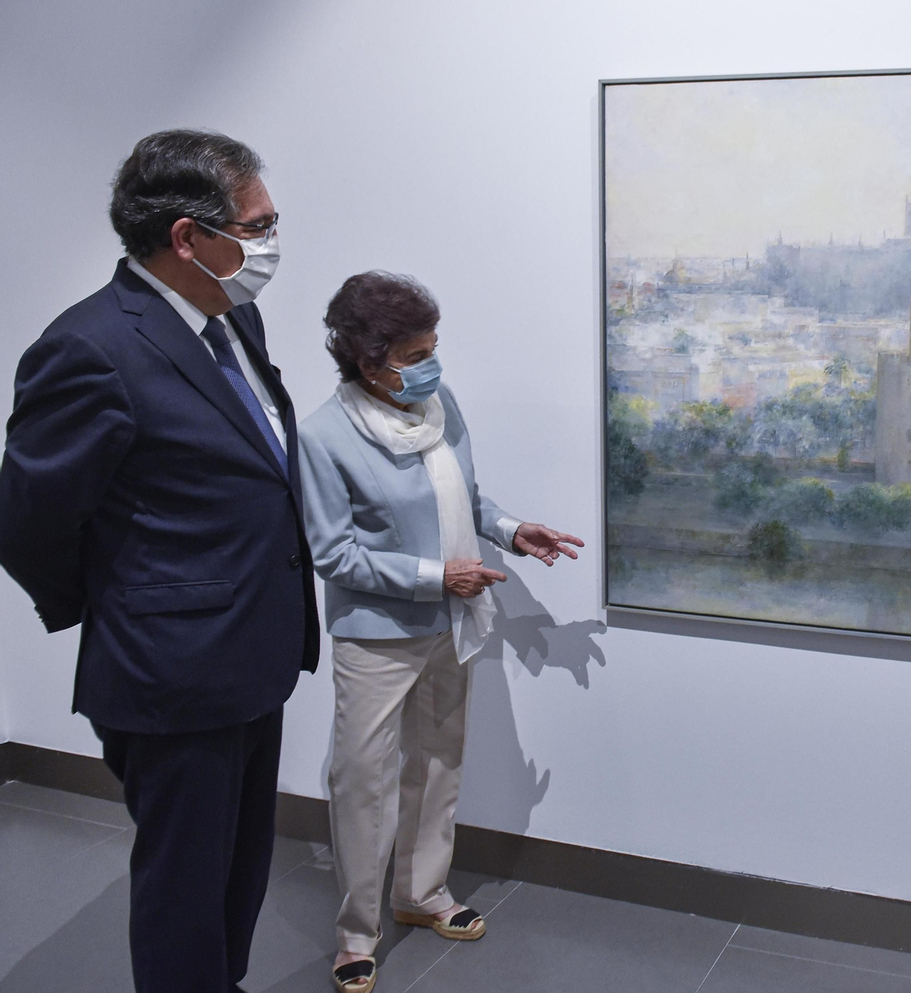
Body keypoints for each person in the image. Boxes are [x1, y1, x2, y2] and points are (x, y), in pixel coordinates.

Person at [0, 130, 319, 992]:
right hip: (171, 674)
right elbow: (29, 522)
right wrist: (126, 609)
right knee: (182, 889)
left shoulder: (231, 317)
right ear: (187, 236)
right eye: (258, 226)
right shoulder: (92, 348)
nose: (269, 243)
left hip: (254, 653)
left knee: (238, 872)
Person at [297, 271, 582, 993]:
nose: (432, 363)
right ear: (370, 358)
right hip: (379, 634)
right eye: (417, 350)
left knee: (438, 762)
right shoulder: (325, 436)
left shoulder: (438, 403)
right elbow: (333, 554)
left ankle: (421, 893)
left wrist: (515, 532)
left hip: (451, 620)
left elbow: (463, 495)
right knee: (363, 780)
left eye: (433, 346)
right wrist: (435, 576)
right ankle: (356, 934)